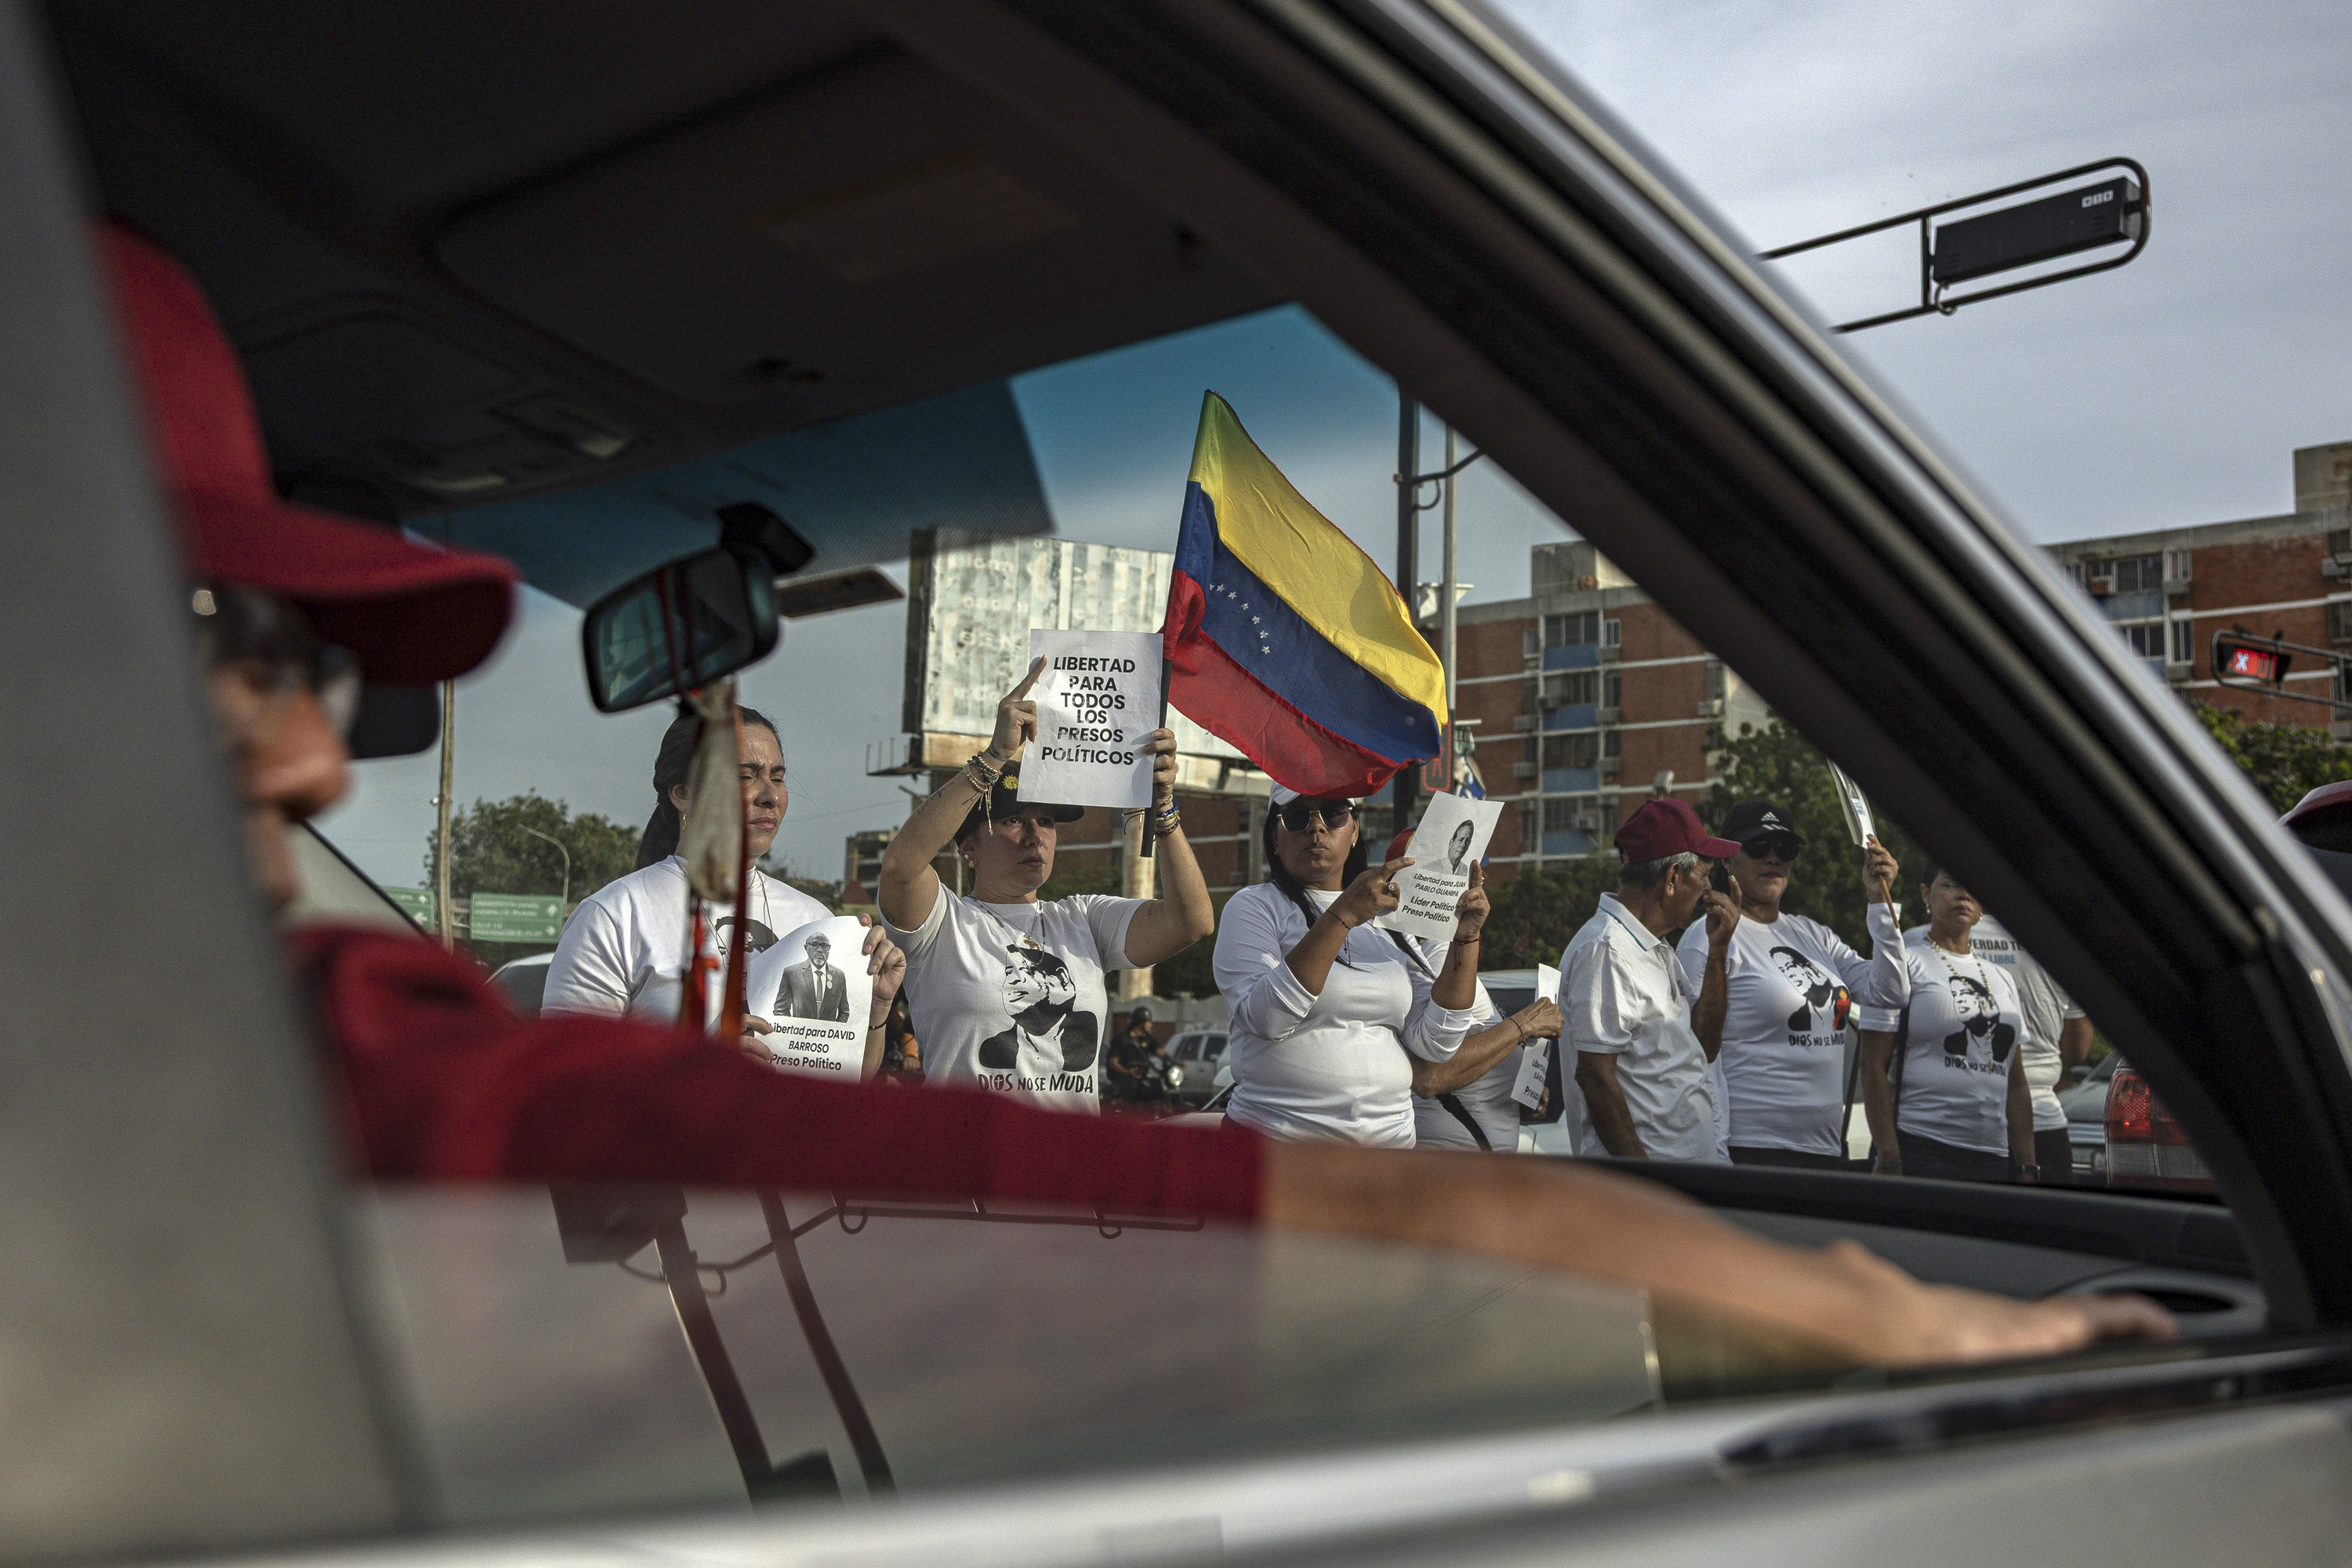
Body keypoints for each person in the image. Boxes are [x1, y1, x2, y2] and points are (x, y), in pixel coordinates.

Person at [116, 218, 2167, 1371]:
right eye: (248, 643)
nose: (314, 752)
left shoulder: (265, 1045)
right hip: (801, 1281)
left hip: (952, 1266)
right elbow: (666, 1098)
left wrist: (1182, 791)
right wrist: (1779, 1288)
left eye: (317, 673)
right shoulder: (639, 935)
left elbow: (1158, 932)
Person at [875, 662, 1217, 1110]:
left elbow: (1192, 921)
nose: (1035, 834)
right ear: (969, 848)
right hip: (966, 1171)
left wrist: (1164, 805)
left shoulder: (1083, 919)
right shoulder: (943, 924)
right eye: (1014, 819)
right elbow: (901, 866)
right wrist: (996, 755)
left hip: (1069, 1175)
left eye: (1048, 821)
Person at [1214, 792, 1485, 1145]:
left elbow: (1437, 1042)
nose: (1317, 827)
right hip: (1279, 1149)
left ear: (1355, 830)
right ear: (1275, 839)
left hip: (1386, 1157)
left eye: (1333, 813)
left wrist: (1466, 939)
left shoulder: (1388, 919)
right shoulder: (1254, 906)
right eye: (1297, 817)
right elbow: (1268, 1019)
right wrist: (1343, 916)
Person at [541, 706, 829, 1021]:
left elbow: (849, 1067)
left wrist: (878, 1006)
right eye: (746, 776)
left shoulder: (816, 921)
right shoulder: (614, 916)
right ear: (683, 793)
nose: (771, 796)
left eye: (778, 777)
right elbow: (566, 1064)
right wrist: (703, 1056)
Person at [1676, 801, 1908, 1171]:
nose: (1773, 858)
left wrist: (1880, 901)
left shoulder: (1814, 935)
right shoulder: (1708, 936)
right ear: (1727, 859)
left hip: (1827, 1149)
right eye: (1757, 847)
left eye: (1784, 849)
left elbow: (1890, 992)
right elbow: (1692, 1055)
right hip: (1751, 1149)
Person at [1564, 798, 1740, 1162]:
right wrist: (1648, 1180)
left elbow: (1704, 1047)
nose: (1708, 890)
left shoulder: (1652, 947)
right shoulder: (1607, 950)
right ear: (1674, 877)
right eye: (1704, 876)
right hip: (1656, 1188)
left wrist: (1718, 951)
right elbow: (1595, 1077)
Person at [1373, 833, 1567, 1153]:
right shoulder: (1436, 952)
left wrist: (1508, 1094)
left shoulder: (1429, 950)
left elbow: (1461, 1066)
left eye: (1480, 877)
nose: (1478, 887)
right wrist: (1524, 1025)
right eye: (1468, 877)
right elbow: (1431, 1077)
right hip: (1454, 1173)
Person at [1858, 866, 2034, 1183]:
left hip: (1992, 1154)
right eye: (1950, 885)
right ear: (1926, 893)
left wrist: (2028, 1166)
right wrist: (1888, 1154)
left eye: (1971, 889)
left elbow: (2017, 1083)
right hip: (1919, 1144)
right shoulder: (1905, 962)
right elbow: (1872, 1067)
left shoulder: (2002, 979)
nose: (1963, 895)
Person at [1946, 912, 2091, 1185]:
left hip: (1964, 1115)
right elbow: (2077, 1050)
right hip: (2041, 1115)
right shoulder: (2061, 942)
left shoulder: (1943, 934)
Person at [775, 932, 851, 1022]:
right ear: (806, 948)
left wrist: (833, 1032)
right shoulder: (792, 973)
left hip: (828, 1035)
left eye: (825, 946)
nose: (820, 950)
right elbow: (780, 1010)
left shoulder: (839, 976)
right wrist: (793, 1031)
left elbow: (844, 1012)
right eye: (814, 945)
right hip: (799, 1033)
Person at [1104, 1007, 1164, 1105]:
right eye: (1148, 1022)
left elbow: (1160, 1052)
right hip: (1123, 1078)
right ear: (1141, 1023)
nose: (1151, 1025)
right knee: (1132, 1088)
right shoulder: (1123, 1039)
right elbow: (1113, 1062)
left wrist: (1173, 1061)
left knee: (1157, 1087)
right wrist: (1127, 1072)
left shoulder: (1148, 1038)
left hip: (1142, 1076)